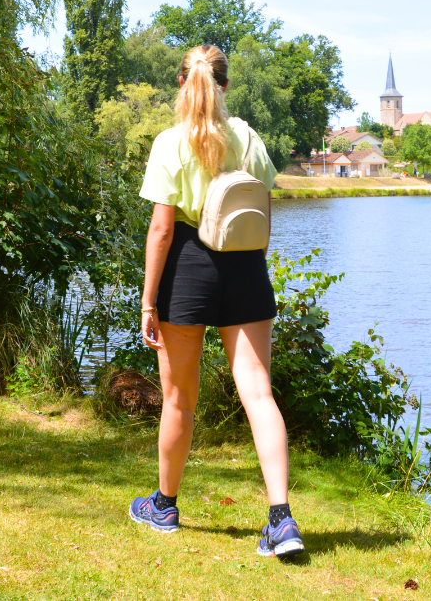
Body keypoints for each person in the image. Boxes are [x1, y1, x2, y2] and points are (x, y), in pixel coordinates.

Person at [127, 44, 304, 558]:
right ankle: (281, 520)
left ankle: (164, 506)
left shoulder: (170, 142)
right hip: (246, 265)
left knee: (180, 396)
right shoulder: (247, 137)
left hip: (187, 264)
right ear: (224, 86)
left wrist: (147, 302)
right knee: (258, 392)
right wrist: (250, 269)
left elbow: (161, 229)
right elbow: (263, 213)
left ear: (183, 83)